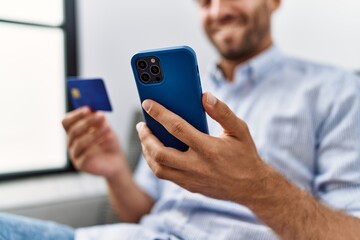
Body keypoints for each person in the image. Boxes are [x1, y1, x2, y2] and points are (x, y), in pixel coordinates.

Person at [1, 0, 360, 239]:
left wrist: (254, 186)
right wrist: (114, 171)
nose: (218, 10)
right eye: (204, 1)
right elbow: (141, 211)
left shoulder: (338, 90)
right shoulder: (186, 91)